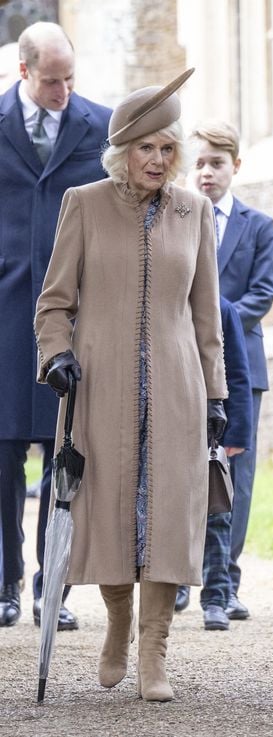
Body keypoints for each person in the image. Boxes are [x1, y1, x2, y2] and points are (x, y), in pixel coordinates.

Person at [34, 69, 228, 703]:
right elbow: (54, 302)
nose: (159, 159)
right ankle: (118, 621)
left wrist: (218, 394)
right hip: (101, 384)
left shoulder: (194, 210)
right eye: (146, 148)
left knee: (169, 515)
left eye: (168, 148)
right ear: (122, 153)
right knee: (112, 511)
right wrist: (56, 354)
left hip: (177, 387)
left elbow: (208, 314)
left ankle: (155, 652)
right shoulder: (84, 204)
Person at [0, 22, 111, 629]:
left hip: (72, 314)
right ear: (23, 73)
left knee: (63, 454)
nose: (64, 91)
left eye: (70, 79)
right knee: (2, 455)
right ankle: (3, 584)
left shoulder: (102, 124)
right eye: (51, 81)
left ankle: (54, 589)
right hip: (3, 311)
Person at [190, 120, 273, 620]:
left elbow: (262, 294)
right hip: (187, 364)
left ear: (235, 167)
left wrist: (212, 328)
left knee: (235, 478)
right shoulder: (176, 220)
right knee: (188, 473)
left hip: (242, 364)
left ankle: (229, 578)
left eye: (216, 163)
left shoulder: (258, 225)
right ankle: (189, 575)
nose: (206, 173)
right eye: (199, 163)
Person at [175, 296, 253, 629]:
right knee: (172, 515)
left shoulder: (222, 308)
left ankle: (217, 597)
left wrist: (238, 434)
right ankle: (175, 585)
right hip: (170, 427)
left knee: (218, 515)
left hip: (213, 432)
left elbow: (237, 373)